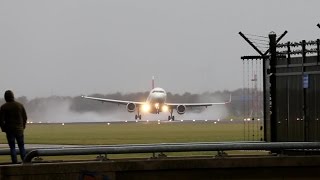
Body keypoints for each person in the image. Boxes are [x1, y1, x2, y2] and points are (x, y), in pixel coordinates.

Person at [0, 90, 27, 163]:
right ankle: (25, 161)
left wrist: (3, 128)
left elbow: (1, 120)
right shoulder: (19, 105)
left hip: (9, 130)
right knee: (21, 146)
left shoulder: (3, 107)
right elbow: (25, 117)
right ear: (13, 96)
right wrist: (23, 126)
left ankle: (14, 162)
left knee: (12, 147)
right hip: (19, 130)